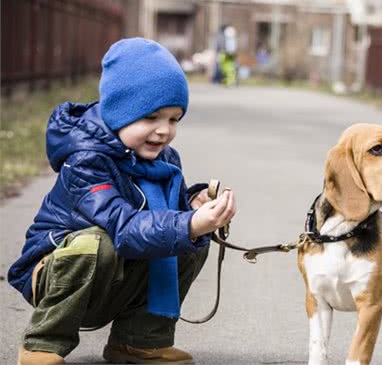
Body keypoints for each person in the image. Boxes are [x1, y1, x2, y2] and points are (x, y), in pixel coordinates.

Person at [7, 37, 236, 365]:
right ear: (118, 112)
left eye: (173, 119)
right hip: (57, 276)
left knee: (190, 236)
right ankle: (42, 345)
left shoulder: (166, 159)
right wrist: (186, 223)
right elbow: (124, 225)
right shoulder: (86, 160)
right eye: (152, 117)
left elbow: (162, 221)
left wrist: (193, 208)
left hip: (114, 272)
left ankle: (139, 341)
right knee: (99, 242)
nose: (163, 131)